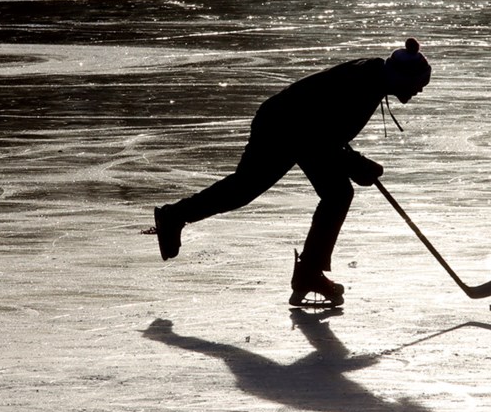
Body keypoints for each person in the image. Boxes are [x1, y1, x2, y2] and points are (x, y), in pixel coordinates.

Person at [152, 38, 432, 307]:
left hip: (299, 129)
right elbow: (321, 135)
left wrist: (355, 163)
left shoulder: (372, 79)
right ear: (400, 76)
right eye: (418, 84)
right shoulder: (363, 84)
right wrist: (356, 164)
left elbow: (328, 130)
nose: (419, 91)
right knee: (248, 189)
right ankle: (174, 216)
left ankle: (308, 273)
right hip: (284, 127)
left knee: (336, 193)